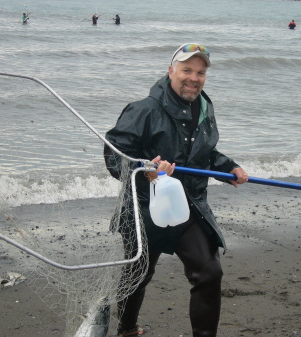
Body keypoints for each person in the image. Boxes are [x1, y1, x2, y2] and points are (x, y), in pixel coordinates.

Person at [104, 43, 249, 337]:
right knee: (137, 276)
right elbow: (113, 155)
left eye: (200, 72)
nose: (194, 78)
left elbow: (204, 152)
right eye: (186, 70)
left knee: (209, 272)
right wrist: (144, 170)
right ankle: (127, 329)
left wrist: (228, 168)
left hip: (188, 206)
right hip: (145, 208)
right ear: (171, 71)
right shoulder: (143, 110)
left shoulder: (204, 108)